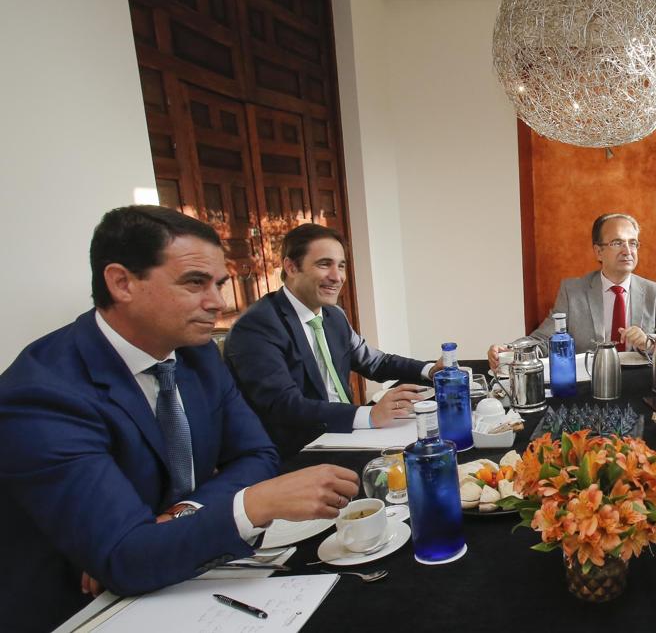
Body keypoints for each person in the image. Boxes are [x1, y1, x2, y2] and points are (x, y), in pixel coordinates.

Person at [0, 206, 359, 633]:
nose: (218, 303)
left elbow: (257, 453)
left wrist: (184, 513)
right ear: (121, 282)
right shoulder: (43, 393)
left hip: (184, 569)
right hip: (83, 609)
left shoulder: (196, 353)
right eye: (194, 283)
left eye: (218, 284)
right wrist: (252, 504)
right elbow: (124, 557)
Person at [226, 224, 439, 457]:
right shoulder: (257, 326)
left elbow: (374, 362)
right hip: (298, 452)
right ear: (291, 267)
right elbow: (284, 405)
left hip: (347, 434)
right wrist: (369, 415)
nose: (337, 277)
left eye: (341, 266)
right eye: (324, 264)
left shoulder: (334, 315)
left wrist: (430, 370)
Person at [489, 213, 656, 365]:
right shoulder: (572, 291)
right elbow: (545, 339)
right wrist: (511, 350)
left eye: (633, 243)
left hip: (641, 382)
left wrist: (649, 342)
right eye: (617, 243)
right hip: (589, 383)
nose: (628, 251)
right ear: (598, 252)